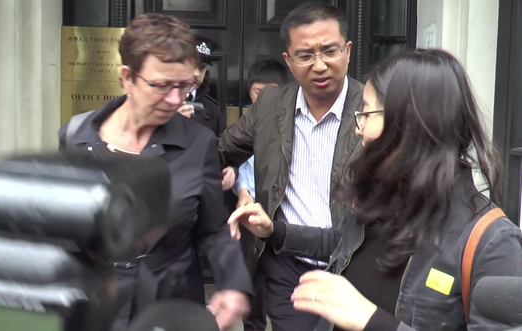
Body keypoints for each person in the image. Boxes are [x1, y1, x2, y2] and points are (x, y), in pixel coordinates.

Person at [228, 48, 522, 331]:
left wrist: (371, 321)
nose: (359, 127)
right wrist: (274, 231)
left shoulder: (491, 243)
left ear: (407, 125)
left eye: (367, 113)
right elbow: (343, 242)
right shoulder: (381, 201)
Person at [58, 13, 252, 331]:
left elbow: (214, 229)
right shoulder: (76, 137)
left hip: (170, 303)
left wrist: (232, 283)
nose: (175, 99)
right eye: (161, 86)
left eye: (185, 85)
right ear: (127, 77)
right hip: (96, 303)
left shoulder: (198, 143)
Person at [218, 3, 364, 330]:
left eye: (330, 51)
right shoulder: (270, 106)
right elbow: (220, 151)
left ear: (348, 50)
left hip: (357, 262)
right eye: (305, 55)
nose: (320, 65)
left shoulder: (372, 108)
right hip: (287, 264)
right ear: (288, 60)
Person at [233, 58, 288, 331]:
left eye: (270, 92)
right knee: (251, 279)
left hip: (281, 220)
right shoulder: (246, 123)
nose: (263, 99)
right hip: (251, 217)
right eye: (257, 92)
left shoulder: (290, 125)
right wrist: (242, 190)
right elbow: (239, 162)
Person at [177, 35, 226, 137]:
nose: (197, 74)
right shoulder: (163, 102)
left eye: (201, 68)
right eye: (192, 66)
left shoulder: (212, 108)